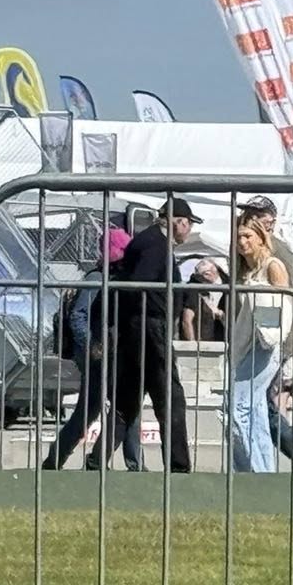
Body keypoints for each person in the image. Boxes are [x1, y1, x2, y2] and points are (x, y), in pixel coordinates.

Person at [108, 197, 198, 473]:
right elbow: (140, 283)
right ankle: (179, 466)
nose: (189, 231)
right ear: (178, 222)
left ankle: (97, 459)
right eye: (189, 224)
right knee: (171, 399)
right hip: (149, 328)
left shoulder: (149, 241)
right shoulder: (156, 245)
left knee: (127, 401)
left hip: (141, 328)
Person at [44, 226, 144, 470]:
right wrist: (92, 345)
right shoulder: (97, 279)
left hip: (111, 352)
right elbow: (78, 316)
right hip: (98, 355)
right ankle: (127, 464)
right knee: (97, 411)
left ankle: (59, 460)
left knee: (108, 409)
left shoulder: (116, 277)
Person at [227, 219, 291, 473]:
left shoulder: (273, 266)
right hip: (248, 343)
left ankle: (252, 470)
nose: (242, 242)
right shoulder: (246, 270)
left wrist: (271, 338)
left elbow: (282, 307)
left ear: (261, 238)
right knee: (256, 410)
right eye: (239, 237)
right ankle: (263, 471)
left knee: (238, 408)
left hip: (265, 345)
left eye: (247, 236)